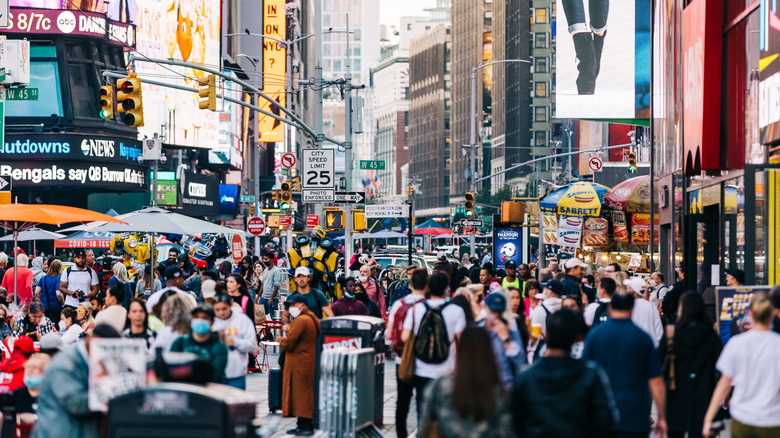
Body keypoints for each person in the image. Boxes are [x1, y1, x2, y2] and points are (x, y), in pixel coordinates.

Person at [513, 308, 618, 437]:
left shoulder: (525, 377)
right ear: (577, 338)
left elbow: (516, 422)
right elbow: (605, 419)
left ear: (546, 335)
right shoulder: (591, 374)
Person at [583, 291, 667, 438]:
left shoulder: (595, 335)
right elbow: (656, 381)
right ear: (632, 309)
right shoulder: (643, 338)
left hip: (601, 413)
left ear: (610, 308)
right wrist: (661, 416)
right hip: (635, 414)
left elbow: (583, 373)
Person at [702, 291, 780, 437]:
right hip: (773, 420)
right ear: (772, 314)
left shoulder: (735, 344)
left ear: (751, 313)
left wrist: (708, 419)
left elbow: (724, 384)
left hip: (742, 418)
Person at [418, 326, 513, 437]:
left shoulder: (437, 388)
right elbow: (506, 432)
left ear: (460, 350)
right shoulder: (499, 393)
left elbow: (424, 430)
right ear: (489, 352)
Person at [33, 324, 120, 438]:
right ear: (92, 340)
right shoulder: (64, 364)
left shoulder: (89, 361)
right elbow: (75, 402)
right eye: (106, 348)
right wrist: (114, 391)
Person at [401, 273, 467, 421]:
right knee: (444, 414)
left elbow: (405, 337)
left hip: (421, 369)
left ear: (428, 288)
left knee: (422, 411)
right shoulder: (456, 311)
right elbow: (463, 343)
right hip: (447, 370)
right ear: (447, 289)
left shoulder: (416, 309)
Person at [661, 292, 722, 438]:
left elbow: (659, 363)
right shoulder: (711, 335)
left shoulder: (671, 334)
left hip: (675, 395)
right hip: (704, 394)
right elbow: (720, 366)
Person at [386, 268, 428, 438]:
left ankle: (401, 434)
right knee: (422, 401)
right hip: (424, 361)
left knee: (402, 401)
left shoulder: (399, 304)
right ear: (426, 284)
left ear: (410, 284)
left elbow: (389, 334)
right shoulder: (428, 305)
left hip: (402, 359)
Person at [276, 293, 321, 436]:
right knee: (304, 393)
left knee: (301, 394)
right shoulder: (313, 318)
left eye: (293, 305)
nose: (290, 308)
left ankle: (304, 426)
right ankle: (302, 424)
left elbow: (289, 342)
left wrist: (280, 340)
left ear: (302, 305)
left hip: (299, 362)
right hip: (307, 359)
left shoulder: (301, 320)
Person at [171, 305, 228, 383]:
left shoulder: (219, 346)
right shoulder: (180, 342)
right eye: (196, 317)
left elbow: (216, 375)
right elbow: (172, 369)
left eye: (205, 318)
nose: (200, 320)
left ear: (212, 322)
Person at [212, 294, 258, 389]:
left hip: (236, 374)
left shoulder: (242, 320)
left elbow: (251, 345)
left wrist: (235, 342)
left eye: (224, 308)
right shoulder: (211, 321)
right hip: (215, 375)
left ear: (230, 306)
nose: (221, 312)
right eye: (217, 310)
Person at [483, 292, 527, 390]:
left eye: (499, 312)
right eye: (493, 311)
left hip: (506, 385)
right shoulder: (478, 330)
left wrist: (506, 339)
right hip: (484, 387)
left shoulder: (511, 331)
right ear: (485, 308)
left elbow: (521, 361)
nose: (496, 316)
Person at [14, 353, 50, 433]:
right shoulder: (15, 395)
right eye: (28, 367)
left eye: (35, 367)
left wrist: (36, 418)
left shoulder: (54, 396)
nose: (30, 370)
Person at [623, 277, 663, 347]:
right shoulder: (651, 306)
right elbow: (659, 331)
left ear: (633, 290)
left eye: (628, 288)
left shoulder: (626, 306)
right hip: (649, 347)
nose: (626, 290)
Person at [35, 259, 64, 326]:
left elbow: (36, 292)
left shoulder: (43, 278)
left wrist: (42, 299)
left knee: (45, 325)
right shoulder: (59, 278)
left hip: (44, 306)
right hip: (56, 307)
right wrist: (63, 303)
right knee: (55, 327)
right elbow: (58, 294)